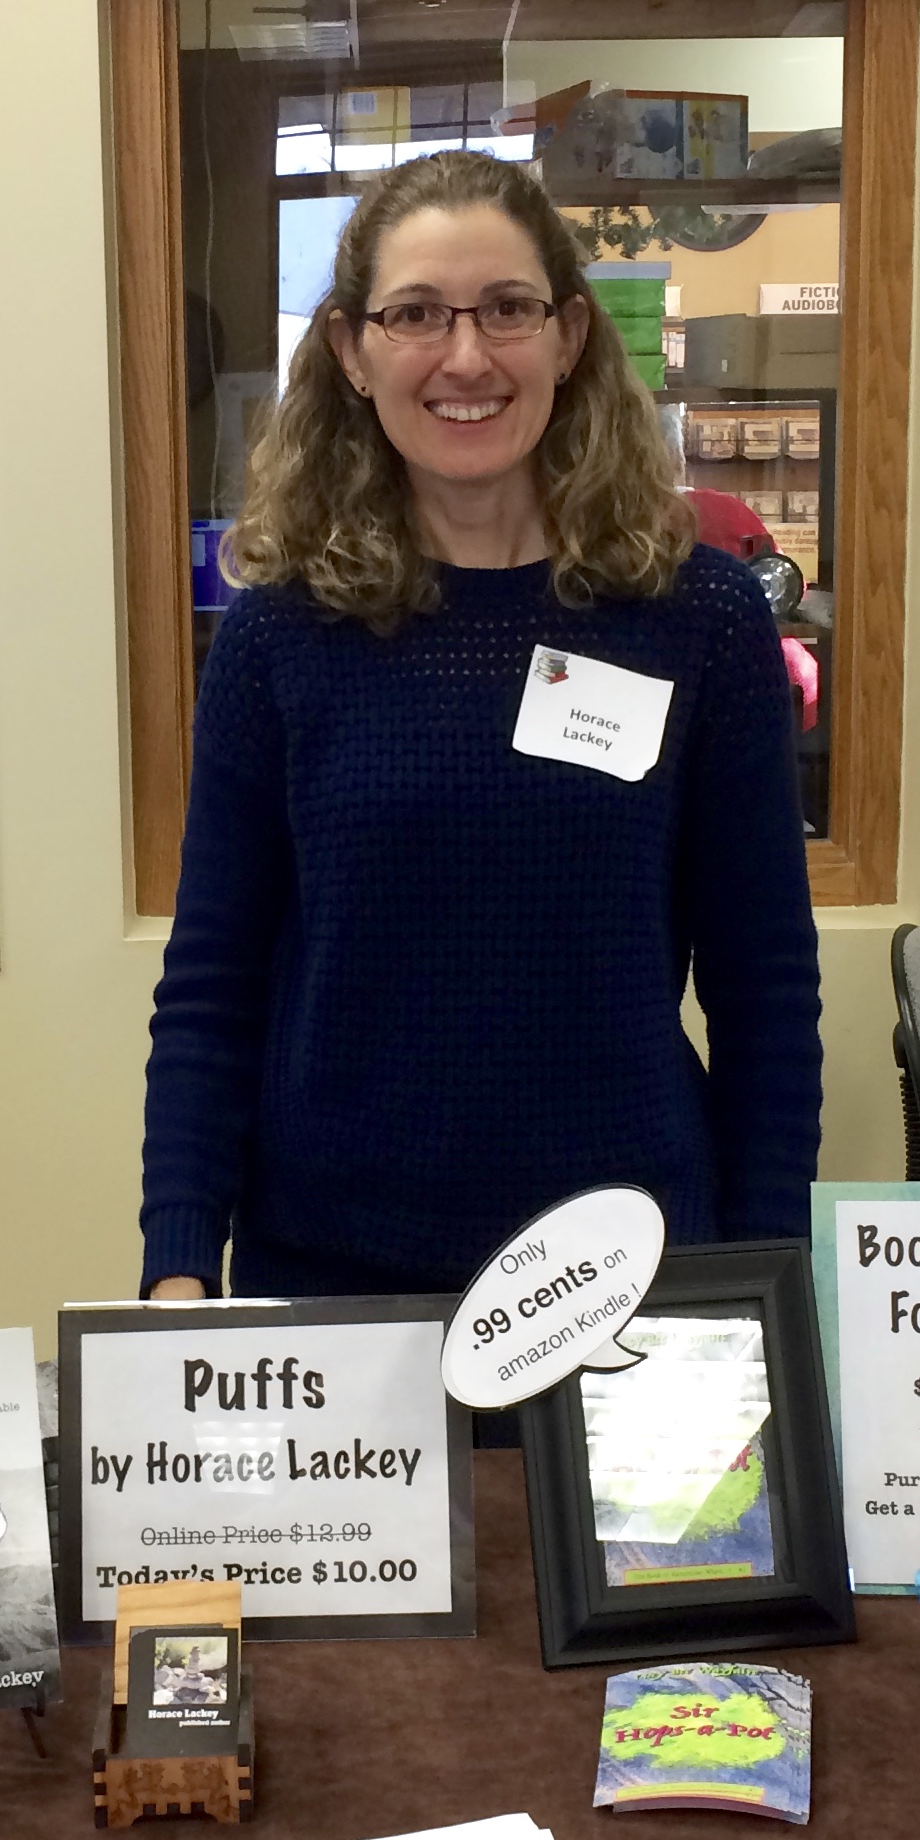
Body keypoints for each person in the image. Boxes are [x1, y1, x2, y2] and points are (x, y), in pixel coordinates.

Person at [140, 150, 821, 1313]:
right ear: (352, 351)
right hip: (336, 1285)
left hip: (630, 1281)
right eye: (415, 314)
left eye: (506, 308)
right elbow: (213, 987)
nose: (465, 356)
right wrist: (178, 1262)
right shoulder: (278, 638)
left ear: (568, 335)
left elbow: (764, 995)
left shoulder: (699, 620)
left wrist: (765, 1276)